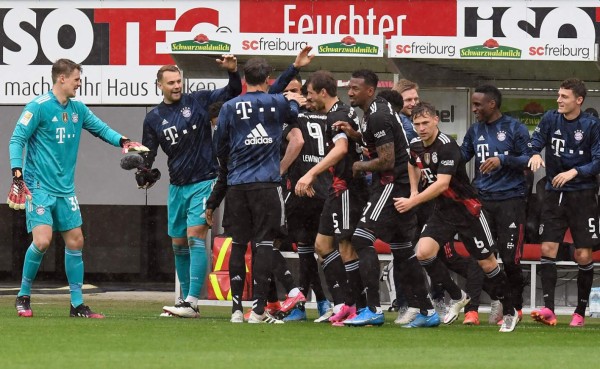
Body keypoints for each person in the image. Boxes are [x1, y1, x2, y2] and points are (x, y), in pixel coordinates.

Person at [9, 58, 147, 318]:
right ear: (62, 78)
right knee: (42, 241)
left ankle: (76, 304)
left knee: (76, 241)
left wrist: (124, 141)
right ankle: (23, 295)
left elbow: (100, 129)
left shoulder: (78, 109)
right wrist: (17, 174)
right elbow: (17, 140)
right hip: (39, 186)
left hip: (65, 189)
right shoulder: (37, 107)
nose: (79, 83)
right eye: (76, 79)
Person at [394, 102, 519, 333]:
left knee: (488, 264)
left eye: (425, 123)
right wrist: (413, 189)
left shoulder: (447, 146)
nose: (421, 128)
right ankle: (457, 295)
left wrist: (413, 200)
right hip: (443, 212)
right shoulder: (414, 144)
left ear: (435, 121)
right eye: (416, 124)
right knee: (423, 252)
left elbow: (442, 184)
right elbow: (413, 164)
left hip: (468, 211)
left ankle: (510, 311)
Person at [141, 55, 241, 318]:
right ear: (159, 86)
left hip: (204, 180)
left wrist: (232, 72)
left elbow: (233, 91)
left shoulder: (198, 100)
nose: (176, 86)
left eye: (178, 81)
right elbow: (148, 153)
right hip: (177, 186)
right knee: (178, 243)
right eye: (171, 82)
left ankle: (192, 301)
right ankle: (183, 301)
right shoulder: (153, 118)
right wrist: (143, 172)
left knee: (195, 237)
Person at [210, 54, 306, 324]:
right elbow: (294, 115)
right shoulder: (277, 102)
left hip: (238, 185)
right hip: (266, 184)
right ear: (267, 80)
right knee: (264, 245)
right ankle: (259, 310)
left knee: (239, 245)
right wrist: (295, 101)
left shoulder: (229, 107)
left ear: (244, 79)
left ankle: (237, 311)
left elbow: (220, 146)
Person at [342, 69, 438, 327]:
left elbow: (386, 160)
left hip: (391, 184)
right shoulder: (375, 111)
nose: (350, 91)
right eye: (349, 87)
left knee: (361, 238)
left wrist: (358, 166)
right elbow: (380, 141)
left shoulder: (379, 115)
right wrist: (355, 136)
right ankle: (429, 312)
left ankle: (373, 309)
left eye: (355, 88)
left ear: (369, 91)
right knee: (403, 250)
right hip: (400, 184)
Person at [295, 70, 369, 326]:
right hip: (336, 189)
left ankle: (357, 306)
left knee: (347, 248)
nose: (308, 100)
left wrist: (311, 174)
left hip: (347, 188)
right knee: (322, 246)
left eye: (311, 94)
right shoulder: (343, 112)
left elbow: (341, 148)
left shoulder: (336, 116)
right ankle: (344, 303)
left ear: (323, 93)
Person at [528, 78, 600, 327]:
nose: (559, 100)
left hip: (583, 195)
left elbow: (598, 160)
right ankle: (549, 309)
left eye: (564, 96)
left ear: (578, 100)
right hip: (554, 193)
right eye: (558, 95)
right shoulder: (550, 118)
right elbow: (535, 141)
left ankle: (580, 311)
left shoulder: (592, 125)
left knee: (582, 254)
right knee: (548, 249)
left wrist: (574, 172)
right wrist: (536, 152)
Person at [460, 85, 530, 325]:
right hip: (481, 201)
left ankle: (515, 308)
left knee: (510, 259)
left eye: (478, 104)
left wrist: (502, 160)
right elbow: (460, 158)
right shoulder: (474, 130)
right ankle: (472, 309)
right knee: (479, 255)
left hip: (511, 200)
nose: (474, 109)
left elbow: (528, 159)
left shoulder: (514, 128)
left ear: (492, 104)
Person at [279, 78, 332, 322]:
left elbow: (298, 144)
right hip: (325, 189)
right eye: (286, 91)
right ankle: (324, 302)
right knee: (314, 250)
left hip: (302, 190)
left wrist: (281, 171)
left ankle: (310, 305)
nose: (291, 95)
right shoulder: (329, 117)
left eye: (295, 91)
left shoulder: (293, 119)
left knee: (306, 250)